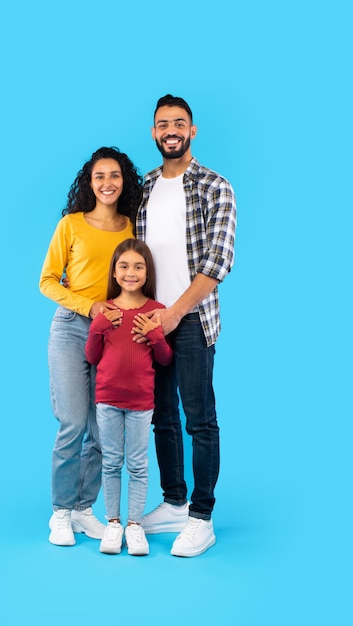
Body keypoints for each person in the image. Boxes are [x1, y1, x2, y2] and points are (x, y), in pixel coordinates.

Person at [134, 94, 236, 557]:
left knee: (200, 418)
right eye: (162, 124)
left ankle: (201, 516)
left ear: (192, 131)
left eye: (179, 123)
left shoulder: (215, 187)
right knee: (161, 416)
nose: (170, 130)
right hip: (151, 318)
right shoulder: (146, 187)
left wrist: (174, 312)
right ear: (154, 133)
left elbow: (218, 263)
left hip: (191, 319)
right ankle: (174, 500)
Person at [39, 147, 143, 546]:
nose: (107, 183)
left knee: (103, 432)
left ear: (124, 181)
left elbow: (137, 277)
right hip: (71, 329)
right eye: (100, 176)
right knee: (73, 423)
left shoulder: (131, 228)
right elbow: (48, 280)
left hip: (115, 336)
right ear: (90, 182)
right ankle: (61, 513)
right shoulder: (71, 225)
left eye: (114, 175)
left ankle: (84, 509)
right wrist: (89, 305)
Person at [85, 239, 173, 556]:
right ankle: (113, 523)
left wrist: (154, 334)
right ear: (114, 271)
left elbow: (164, 359)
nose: (131, 273)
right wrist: (97, 327)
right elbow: (92, 356)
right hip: (107, 398)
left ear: (147, 272)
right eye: (124, 266)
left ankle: (134, 526)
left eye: (138, 266)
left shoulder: (156, 311)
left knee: (137, 465)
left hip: (140, 402)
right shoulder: (105, 309)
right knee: (111, 463)